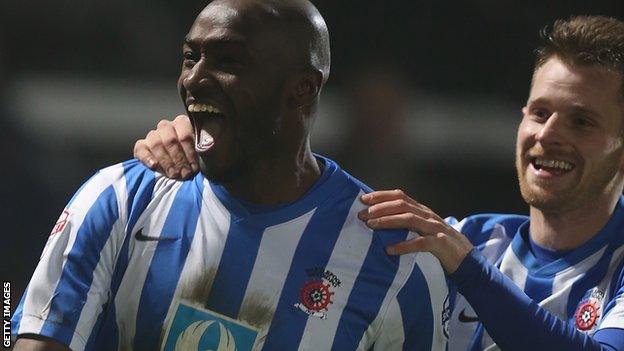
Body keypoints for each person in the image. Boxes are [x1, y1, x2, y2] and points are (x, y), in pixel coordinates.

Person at [135, 15, 624, 350]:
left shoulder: (460, 254)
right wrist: (211, 143)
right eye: (539, 112)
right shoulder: (468, 240)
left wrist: (468, 270)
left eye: (582, 122)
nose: (549, 134)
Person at [11, 1, 448, 350]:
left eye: (229, 61)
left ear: (302, 88)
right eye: (190, 57)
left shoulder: (394, 260)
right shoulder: (119, 199)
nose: (195, 78)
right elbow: (22, 325)